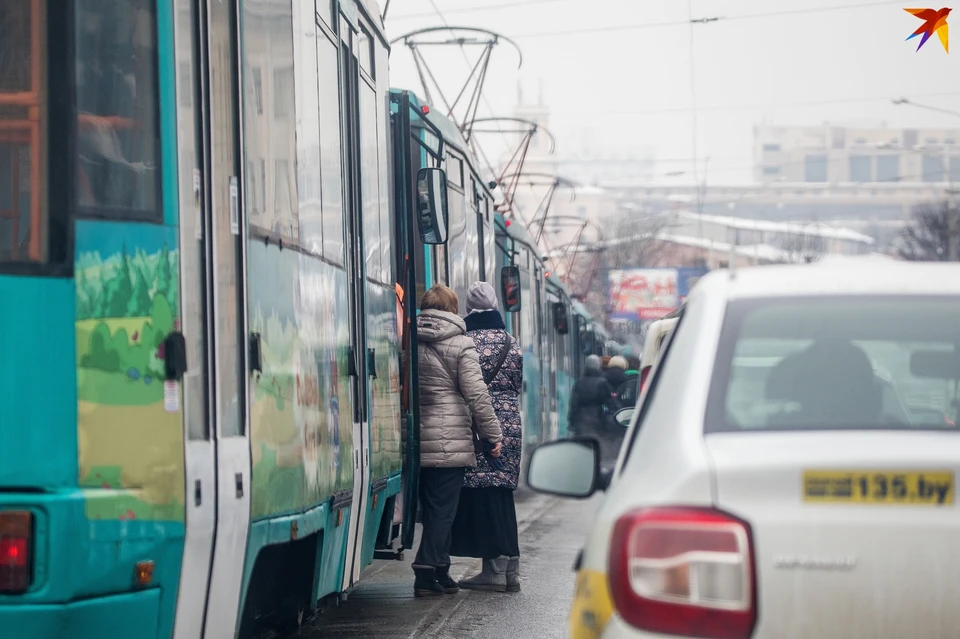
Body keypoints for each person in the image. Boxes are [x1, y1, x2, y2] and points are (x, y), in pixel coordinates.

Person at [413, 285, 503, 597]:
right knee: (443, 510)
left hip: (412, 438)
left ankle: (440, 570)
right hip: (449, 439)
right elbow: (477, 394)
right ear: (452, 309)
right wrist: (493, 434)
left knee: (432, 508)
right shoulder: (461, 344)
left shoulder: (406, 339)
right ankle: (426, 569)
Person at [451, 281, 524, 593]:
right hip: (509, 423)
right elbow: (517, 383)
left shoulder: (464, 341)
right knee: (501, 493)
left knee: (482, 493)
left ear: (469, 308)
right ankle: (510, 570)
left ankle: (492, 569)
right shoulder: (512, 343)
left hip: (477, 422)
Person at [569, 355, 621, 469]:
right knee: (597, 447)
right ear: (598, 367)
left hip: (580, 422)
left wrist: (572, 421)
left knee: (582, 448)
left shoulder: (579, 383)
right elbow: (610, 403)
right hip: (597, 420)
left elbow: (574, 404)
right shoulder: (602, 383)